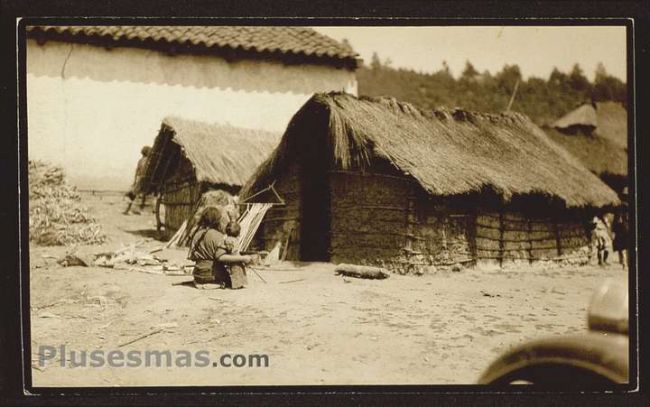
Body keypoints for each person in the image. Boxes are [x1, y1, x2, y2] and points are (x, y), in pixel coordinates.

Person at [188, 208, 252, 289]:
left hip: (198, 275)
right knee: (232, 279)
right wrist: (243, 258)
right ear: (217, 220)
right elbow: (221, 257)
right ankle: (217, 283)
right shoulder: (218, 235)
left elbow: (192, 257)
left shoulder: (197, 234)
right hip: (212, 275)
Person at [123, 145, 151, 215]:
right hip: (144, 180)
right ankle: (140, 209)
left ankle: (129, 209)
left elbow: (137, 171)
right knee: (138, 194)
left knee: (134, 194)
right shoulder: (148, 161)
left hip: (140, 179)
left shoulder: (140, 161)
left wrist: (135, 180)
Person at [612, 204, 629, 270]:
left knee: (624, 250)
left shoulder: (626, 219)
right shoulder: (617, 219)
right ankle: (624, 263)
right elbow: (614, 227)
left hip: (625, 235)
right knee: (622, 249)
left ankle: (625, 263)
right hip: (621, 235)